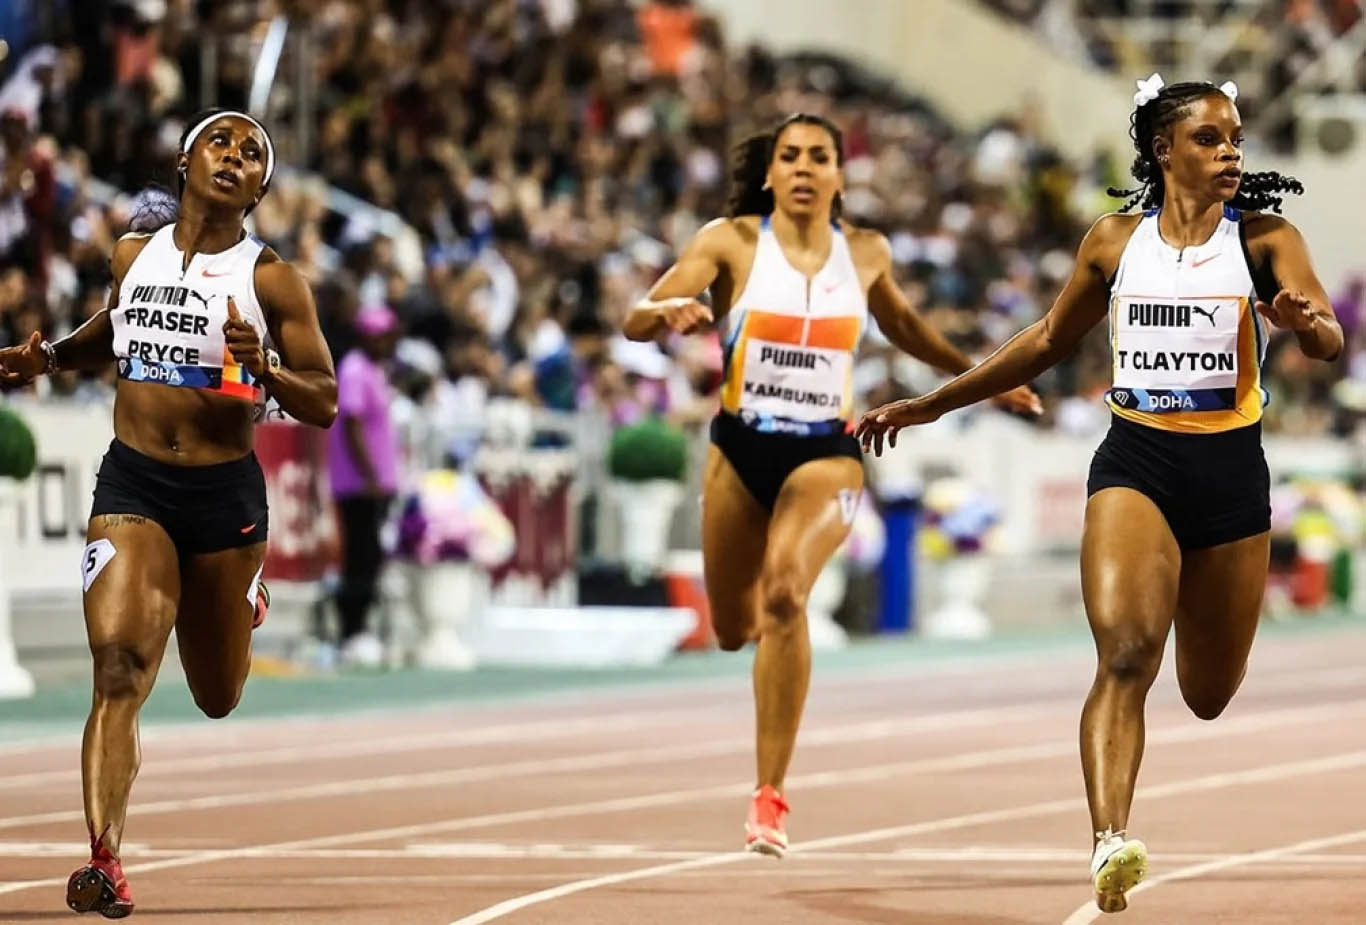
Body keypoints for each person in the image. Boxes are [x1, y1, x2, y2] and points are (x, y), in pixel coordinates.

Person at [857, 75, 1342, 913]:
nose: (1229, 152)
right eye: (1209, 139)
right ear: (1164, 149)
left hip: (1230, 475)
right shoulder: (1115, 242)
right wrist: (934, 402)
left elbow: (1329, 336)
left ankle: (1177, 660)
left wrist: (1307, 324)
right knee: (1123, 654)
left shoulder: (1265, 239)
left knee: (1208, 693)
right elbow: (1048, 337)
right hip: (1136, 464)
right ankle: (1110, 840)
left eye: (1235, 139)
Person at [623, 113, 1040, 857]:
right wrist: (665, 311)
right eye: (790, 157)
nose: (804, 169)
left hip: (827, 449)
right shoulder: (730, 241)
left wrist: (981, 379)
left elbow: (905, 327)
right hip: (739, 448)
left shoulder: (867, 253)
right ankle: (769, 649)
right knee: (733, 629)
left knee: (787, 592)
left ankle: (769, 795)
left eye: (820, 157)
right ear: (770, 173)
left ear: (840, 176)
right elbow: (635, 318)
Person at [0, 108, 337, 918]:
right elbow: (114, 331)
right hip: (135, 486)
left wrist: (267, 372)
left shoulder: (272, 280)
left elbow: (323, 398)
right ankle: (103, 859)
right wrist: (51, 358)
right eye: (220, 141)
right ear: (186, 164)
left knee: (216, 693)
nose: (235, 156)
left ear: (258, 193)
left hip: (223, 499)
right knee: (118, 669)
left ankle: (242, 598)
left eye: (252, 154)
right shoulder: (133, 255)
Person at [328, 303, 401, 667]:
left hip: (373, 484)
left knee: (370, 559)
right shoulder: (355, 369)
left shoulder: (374, 369)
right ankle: (351, 632)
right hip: (359, 485)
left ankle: (360, 630)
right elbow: (352, 423)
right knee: (360, 558)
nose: (388, 343)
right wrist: (369, 475)